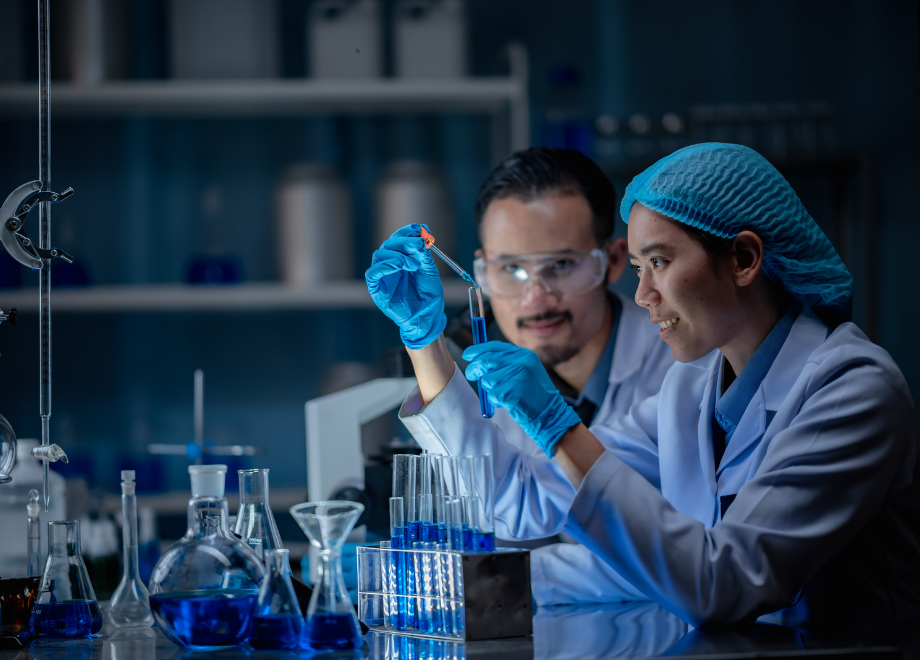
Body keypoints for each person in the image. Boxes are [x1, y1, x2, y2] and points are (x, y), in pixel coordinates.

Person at [367, 142, 920, 636]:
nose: (643, 295)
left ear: (745, 259)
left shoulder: (852, 391)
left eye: (659, 261)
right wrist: (425, 341)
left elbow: (722, 584)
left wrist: (559, 426)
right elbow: (520, 503)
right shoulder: (692, 388)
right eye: (638, 268)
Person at [367, 147, 674, 605]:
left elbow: (670, 554)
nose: (536, 298)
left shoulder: (678, 369)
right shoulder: (489, 377)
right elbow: (498, 512)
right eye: (511, 269)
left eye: (561, 265)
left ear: (611, 261)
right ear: (481, 273)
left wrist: (493, 576)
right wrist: (422, 340)